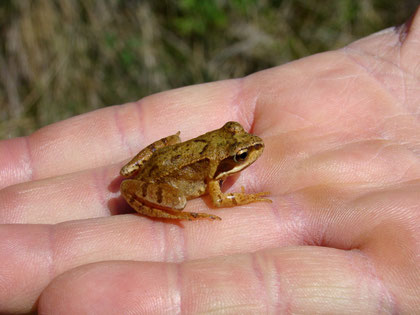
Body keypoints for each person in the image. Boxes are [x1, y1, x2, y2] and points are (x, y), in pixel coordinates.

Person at [1, 8, 420, 313]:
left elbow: (213, 158)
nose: (250, 150)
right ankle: (172, 210)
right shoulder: (213, 181)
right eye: (240, 155)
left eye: (239, 148)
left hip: (158, 159)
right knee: (184, 204)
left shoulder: (231, 144)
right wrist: (246, 201)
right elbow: (217, 201)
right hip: (168, 178)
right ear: (227, 162)